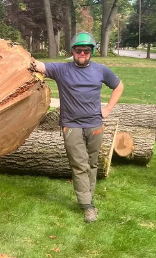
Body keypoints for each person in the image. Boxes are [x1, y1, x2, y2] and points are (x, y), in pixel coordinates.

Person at [33, 32, 124, 223]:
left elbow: (119, 86)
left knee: (92, 164)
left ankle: (88, 198)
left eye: (86, 50)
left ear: (92, 51)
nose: (82, 53)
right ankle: (87, 206)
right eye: (78, 50)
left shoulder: (101, 70)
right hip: (72, 125)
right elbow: (37, 65)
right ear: (72, 51)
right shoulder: (61, 69)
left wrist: (107, 109)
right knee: (79, 165)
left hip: (95, 125)